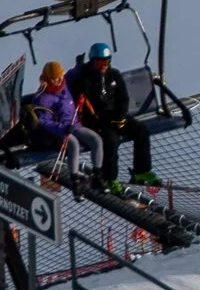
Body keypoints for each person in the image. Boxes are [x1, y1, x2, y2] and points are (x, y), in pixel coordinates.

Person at [67, 41, 157, 185]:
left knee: (141, 130)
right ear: (93, 62)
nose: (103, 65)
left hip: (115, 116)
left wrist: (121, 116)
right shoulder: (84, 79)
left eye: (106, 62)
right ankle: (109, 178)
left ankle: (141, 171)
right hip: (98, 120)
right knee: (110, 140)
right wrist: (103, 120)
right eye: (99, 62)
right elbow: (87, 107)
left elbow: (123, 98)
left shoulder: (114, 75)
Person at [27, 61, 102, 179]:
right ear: (47, 79)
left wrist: (79, 66)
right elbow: (45, 121)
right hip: (59, 131)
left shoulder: (64, 84)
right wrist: (63, 129)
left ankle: (97, 175)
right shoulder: (43, 98)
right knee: (74, 144)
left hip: (75, 125)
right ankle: (75, 178)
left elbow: (71, 74)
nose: (58, 80)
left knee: (96, 140)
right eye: (54, 78)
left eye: (59, 76)